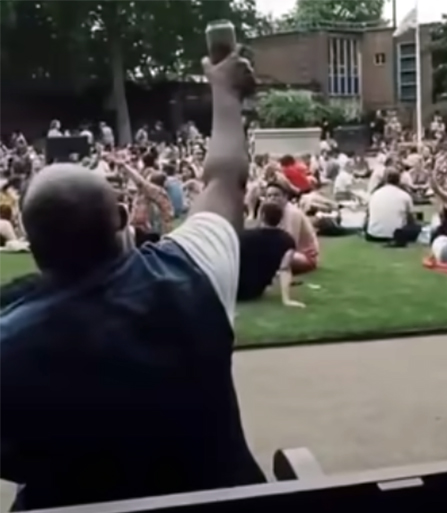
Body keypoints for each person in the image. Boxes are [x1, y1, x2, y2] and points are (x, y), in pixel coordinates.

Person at [0, 49, 264, 510]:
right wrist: (224, 91)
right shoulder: (193, 270)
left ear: (32, 242)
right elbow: (226, 179)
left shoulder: (8, 344)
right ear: (122, 217)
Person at [238, 202, 304, 306]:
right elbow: (285, 269)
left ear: (262, 216)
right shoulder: (287, 241)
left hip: (233, 289)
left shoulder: (244, 236)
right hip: (254, 291)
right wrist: (286, 300)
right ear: (281, 218)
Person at [260, 182, 320, 274]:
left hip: (303, 256)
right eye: (269, 196)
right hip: (284, 252)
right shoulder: (268, 211)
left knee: (277, 257)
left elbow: (290, 244)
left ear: (285, 197)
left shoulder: (292, 213)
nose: (272, 199)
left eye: (276, 195)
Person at [365, 169, 419, 244]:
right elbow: (411, 220)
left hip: (373, 235)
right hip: (397, 235)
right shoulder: (405, 196)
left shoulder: (374, 194)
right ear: (399, 180)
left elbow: (367, 216)